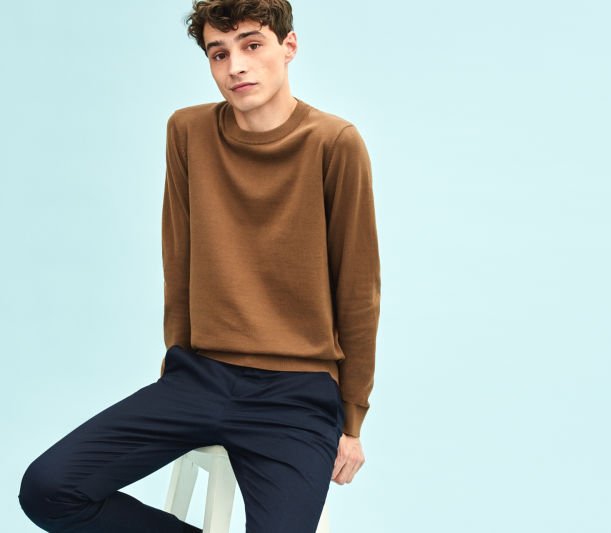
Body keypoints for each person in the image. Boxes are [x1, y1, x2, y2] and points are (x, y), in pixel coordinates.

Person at [17, 0, 381, 531]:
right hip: (200, 376)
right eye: (219, 53)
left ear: (289, 47)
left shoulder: (335, 142)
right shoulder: (188, 132)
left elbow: (358, 290)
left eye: (252, 45)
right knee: (48, 490)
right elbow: (180, 258)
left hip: (297, 394)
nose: (236, 66)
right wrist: (177, 362)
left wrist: (352, 420)